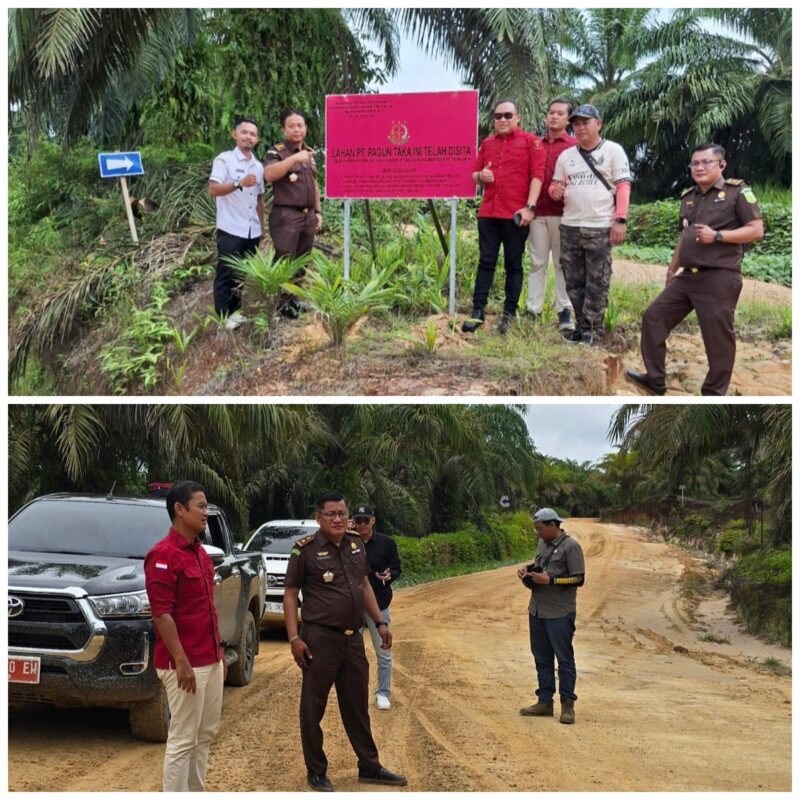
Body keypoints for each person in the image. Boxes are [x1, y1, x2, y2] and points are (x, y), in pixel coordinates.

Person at [283, 492, 407, 792]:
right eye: (331, 514)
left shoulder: (355, 544)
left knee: (356, 706)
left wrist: (380, 621)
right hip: (319, 639)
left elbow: (364, 585)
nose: (338, 519)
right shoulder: (305, 551)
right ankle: (316, 770)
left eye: (342, 513)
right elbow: (290, 593)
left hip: (353, 640)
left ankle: (369, 766)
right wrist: (294, 637)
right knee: (313, 706)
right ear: (318, 518)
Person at [626, 143, 764, 396]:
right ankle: (655, 380)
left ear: (721, 165)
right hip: (687, 277)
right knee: (654, 318)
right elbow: (685, 235)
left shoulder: (738, 192)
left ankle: (713, 393)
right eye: (695, 163)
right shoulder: (689, 197)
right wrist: (672, 269)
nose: (699, 167)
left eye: (705, 162)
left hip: (719, 277)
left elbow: (756, 230)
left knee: (718, 340)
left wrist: (718, 236)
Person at [144, 480, 226, 792]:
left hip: (209, 659)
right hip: (184, 664)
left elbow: (208, 611)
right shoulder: (162, 556)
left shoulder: (201, 554)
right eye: (201, 506)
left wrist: (218, 657)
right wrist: (181, 661)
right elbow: (162, 614)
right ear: (180, 510)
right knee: (182, 737)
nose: (207, 512)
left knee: (204, 734)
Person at [462, 99, 546, 335]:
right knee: (485, 262)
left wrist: (529, 207)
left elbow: (537, 176)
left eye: (508, 115)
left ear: (518, 117)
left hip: (515, 215)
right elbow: (474, 174)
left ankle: (508, 315)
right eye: (498, 116)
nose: (502, 120)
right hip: (488, 214)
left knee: (513, 265)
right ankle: (478, 312)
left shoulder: (531, 142)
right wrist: (482, 175)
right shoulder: (487, 143)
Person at [549, 104, 631, 345]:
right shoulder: (566, 156)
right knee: (573, 281)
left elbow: (623, 186)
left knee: (597, 281)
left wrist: (620, 219)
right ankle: (580, 328)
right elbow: (554, 186)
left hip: (599, 226)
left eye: (586, 122)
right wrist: (556, 191)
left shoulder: (613, 151)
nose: (580, 127)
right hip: (570, 225)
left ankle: (593, 332)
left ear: (599, 123)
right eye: (576, 123)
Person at [517, 507, 585, 725]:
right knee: (542, 657)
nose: (538, 533)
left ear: (553, 525)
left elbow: (578, 579)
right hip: (537, 609)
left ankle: (567, 705)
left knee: (564, 659)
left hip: (559, 611)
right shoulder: (542, 544)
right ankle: (544, 701)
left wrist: (552, 581)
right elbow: (541, 566)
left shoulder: (571, 547)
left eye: (540, 529)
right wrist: (527, 570)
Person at [525, 98, 578, 332]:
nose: (554, 117)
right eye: (551, 112)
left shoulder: (575, 147)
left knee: (561, 264)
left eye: (560, 113)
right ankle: (532, 309)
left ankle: (564, 310)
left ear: (568, 119)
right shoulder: (536, 144)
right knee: (537, 263)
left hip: (564, 214)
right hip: (536, 213)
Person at [208, 117, 265, 330]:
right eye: (244, 132)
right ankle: (223, 318)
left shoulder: (258, 167)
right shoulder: (224, 160)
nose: (248, 137)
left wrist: (262, 227)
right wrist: (237, 183)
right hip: (231, 228)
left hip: (252, 231)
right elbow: (213, 190)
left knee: (242, 273)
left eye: (252, 134)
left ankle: (236, 313)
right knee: (226, 273)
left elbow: (259, 198)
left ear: (257, 139)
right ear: (235, 134)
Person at [265, 109, 322, 318]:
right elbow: (269, 174)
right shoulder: (277, 152)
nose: (297, 129)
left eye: (300, 125)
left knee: (302, 259)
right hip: (286, 216)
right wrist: (294, 159)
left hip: (307, 216)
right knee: (285, 259)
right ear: (284, 129)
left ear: (305, 128)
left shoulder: (310, 154)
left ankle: (293, 300)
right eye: (292, 126)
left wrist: (318, 211)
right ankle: (278, 304)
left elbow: (314, 186)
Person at [351, 504, 402, 711]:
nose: (361, 524)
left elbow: (397, 568)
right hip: (352, 605)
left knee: (383, 651)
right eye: (358, 520)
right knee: (351, 653)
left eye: (365, 520)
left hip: (378, 605)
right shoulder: (347, 542)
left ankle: (382, 693)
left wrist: (390, 576)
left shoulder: (386, 543)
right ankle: (355, 693)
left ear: (373, 521)